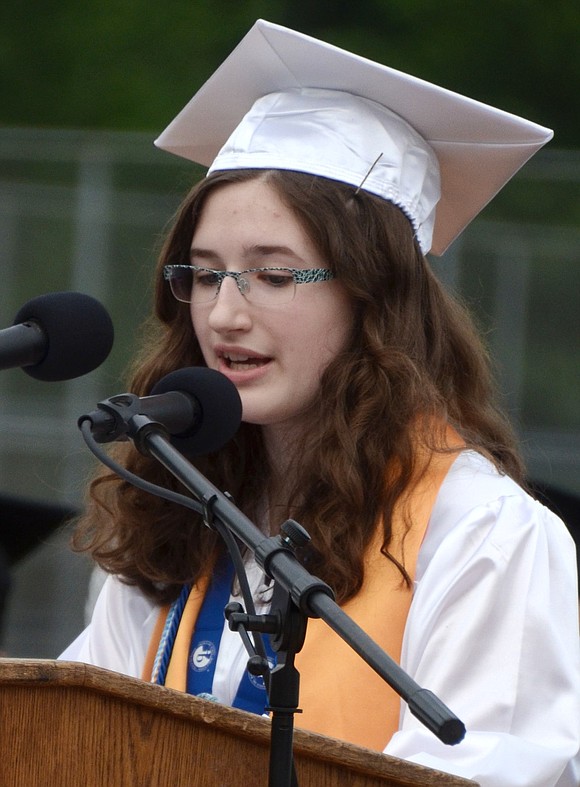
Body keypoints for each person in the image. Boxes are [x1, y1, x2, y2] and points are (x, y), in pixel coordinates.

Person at [60, 20, 580, 786]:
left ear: (374, 300)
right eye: (204, 274)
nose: (224, 314)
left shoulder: (479, 532)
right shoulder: (174, 515)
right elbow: (73, 740)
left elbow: (490, 765)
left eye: (273, 275)